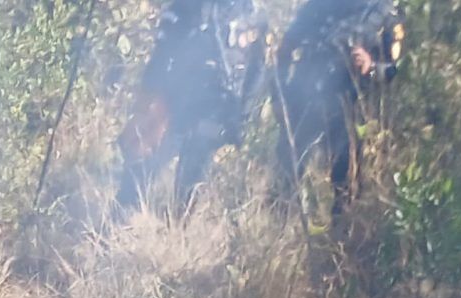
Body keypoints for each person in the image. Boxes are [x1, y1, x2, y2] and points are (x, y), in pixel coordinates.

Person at [118, 0, 265, 209]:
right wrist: (150, 100)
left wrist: (243, 114)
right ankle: (118, 218)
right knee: (145, 166)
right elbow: (161, 55)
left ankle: (178, 230)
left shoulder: (252, 12)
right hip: (177, 99)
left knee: (192, 178)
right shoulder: (189, 5)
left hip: (217, 107)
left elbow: (257, 68)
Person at [269, 0, 404, 214]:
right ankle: (277, 233)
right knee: (286, 178)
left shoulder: (385, 14)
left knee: (346, 187)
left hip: (348, 105)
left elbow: (390, 72)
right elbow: (286, 48)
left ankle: (338, 239)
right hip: (305, 98)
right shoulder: (321, 4)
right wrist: (278, 96)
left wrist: (368, 66)